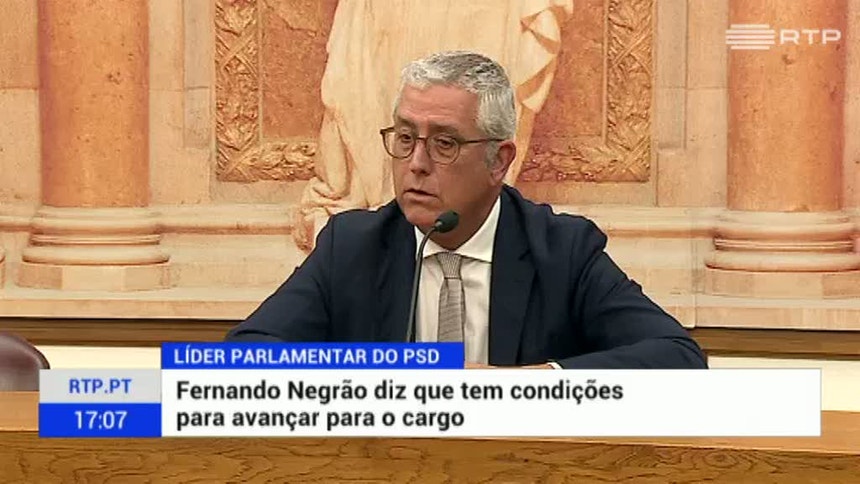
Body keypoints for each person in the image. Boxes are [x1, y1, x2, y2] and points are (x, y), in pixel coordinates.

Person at [226, 51, 708, 369]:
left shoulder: (562, 251)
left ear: (498, 161)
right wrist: (395, 375)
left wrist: (525, 385)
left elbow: (678, 359)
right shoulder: (352, 247)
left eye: (445, 144)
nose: (416, 164)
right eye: (405, 138)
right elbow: (245, 358)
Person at [293, 0, 573, 251]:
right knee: (384, 77)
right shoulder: (339, 256)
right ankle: (392, 203)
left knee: (479, 83)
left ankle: (467, 209)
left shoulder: (572, 247)